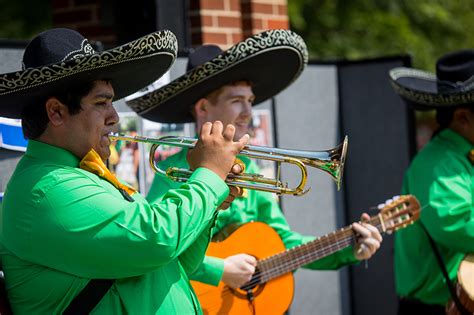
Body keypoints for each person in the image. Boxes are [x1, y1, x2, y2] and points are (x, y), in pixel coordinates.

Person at [0, 28, 249, 314]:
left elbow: (178, 261)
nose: (115, 117)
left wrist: (212, 198)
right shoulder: (47, 188)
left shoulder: (84, 173)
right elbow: (158, 241)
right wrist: (208, 177)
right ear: (56, 112)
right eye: (101, 103)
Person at [127, 29, 383, 296]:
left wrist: (348, 247)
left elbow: (284, 243)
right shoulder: (173, 171)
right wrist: (220, 269)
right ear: (203, 108)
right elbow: (157, 247)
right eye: (237, 101)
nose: (248, 112)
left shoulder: (246, 167)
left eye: (250, 101)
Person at [390, 49, 474, 315]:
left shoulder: (461, 155)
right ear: (463, 117)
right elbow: (456, 224)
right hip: (434, 309)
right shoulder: (437, 162)